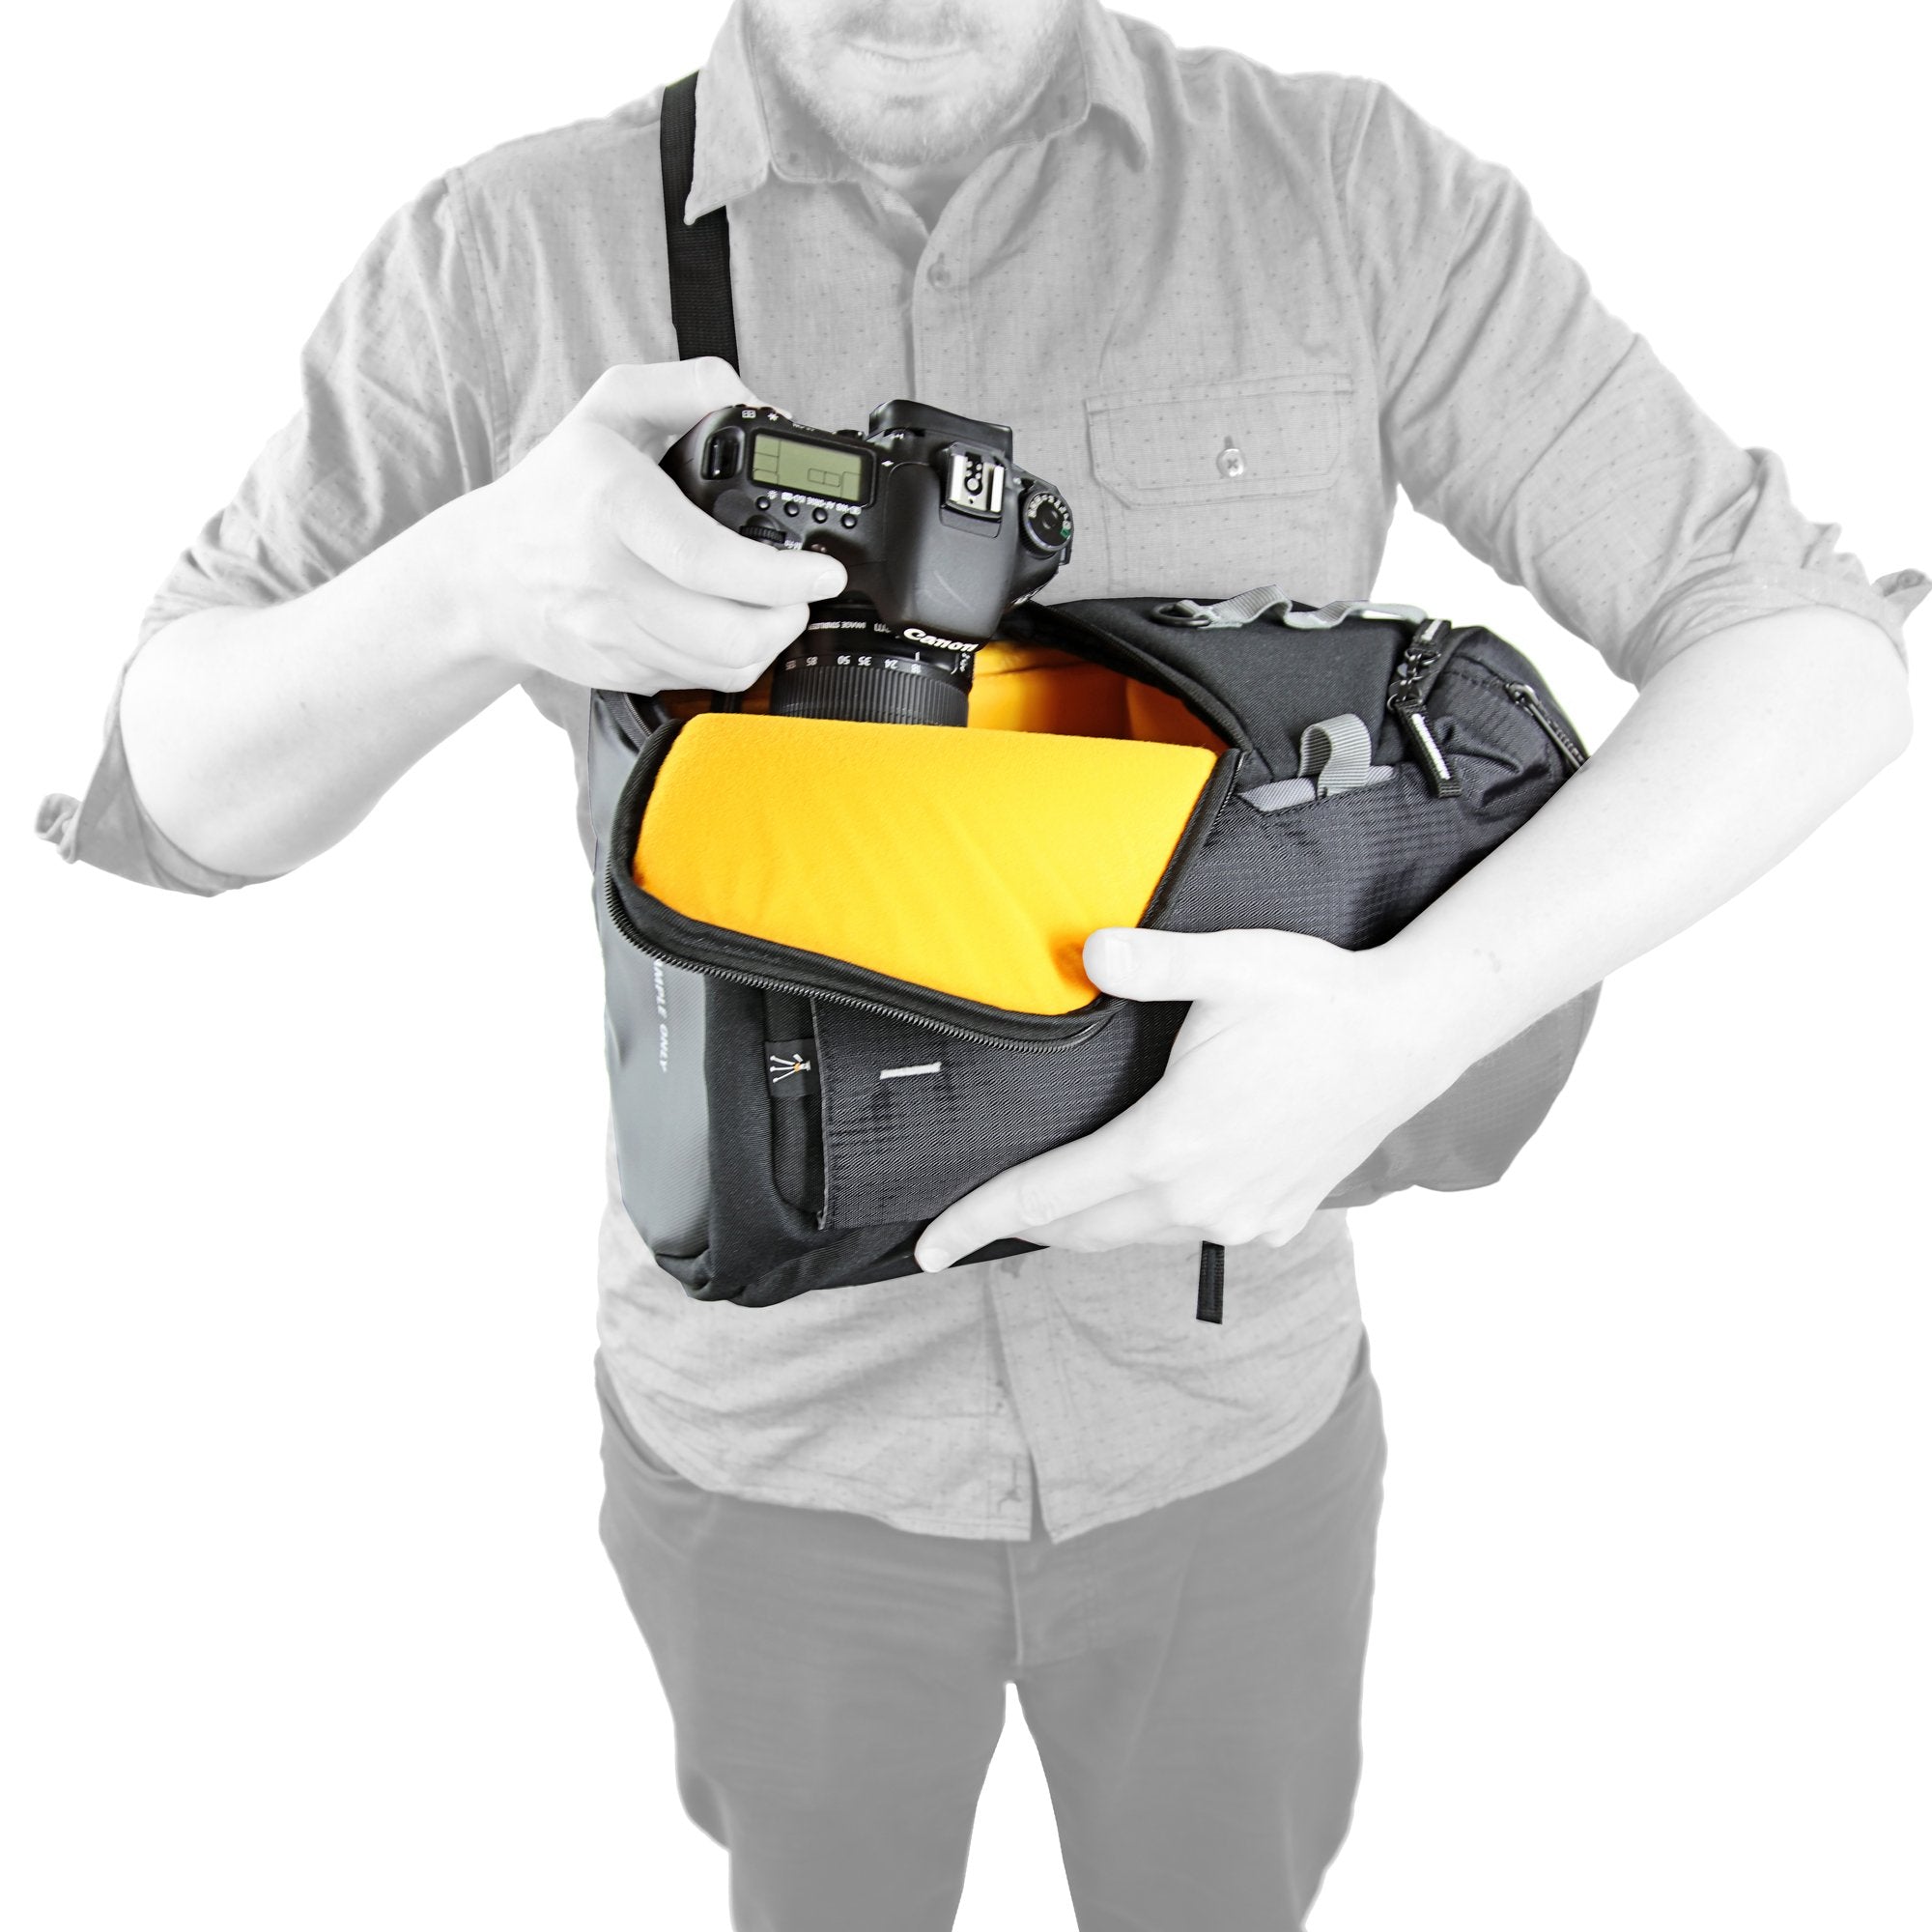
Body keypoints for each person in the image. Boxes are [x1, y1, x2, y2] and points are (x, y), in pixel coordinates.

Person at [38, 2, 1921, 1926]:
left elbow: (1815, 651)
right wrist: (465, 586)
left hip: (1233, 1426)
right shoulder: (510, 251)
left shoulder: (1340, 189)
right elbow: (168, 793)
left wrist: (1405, 1027)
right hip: (763, 1444)